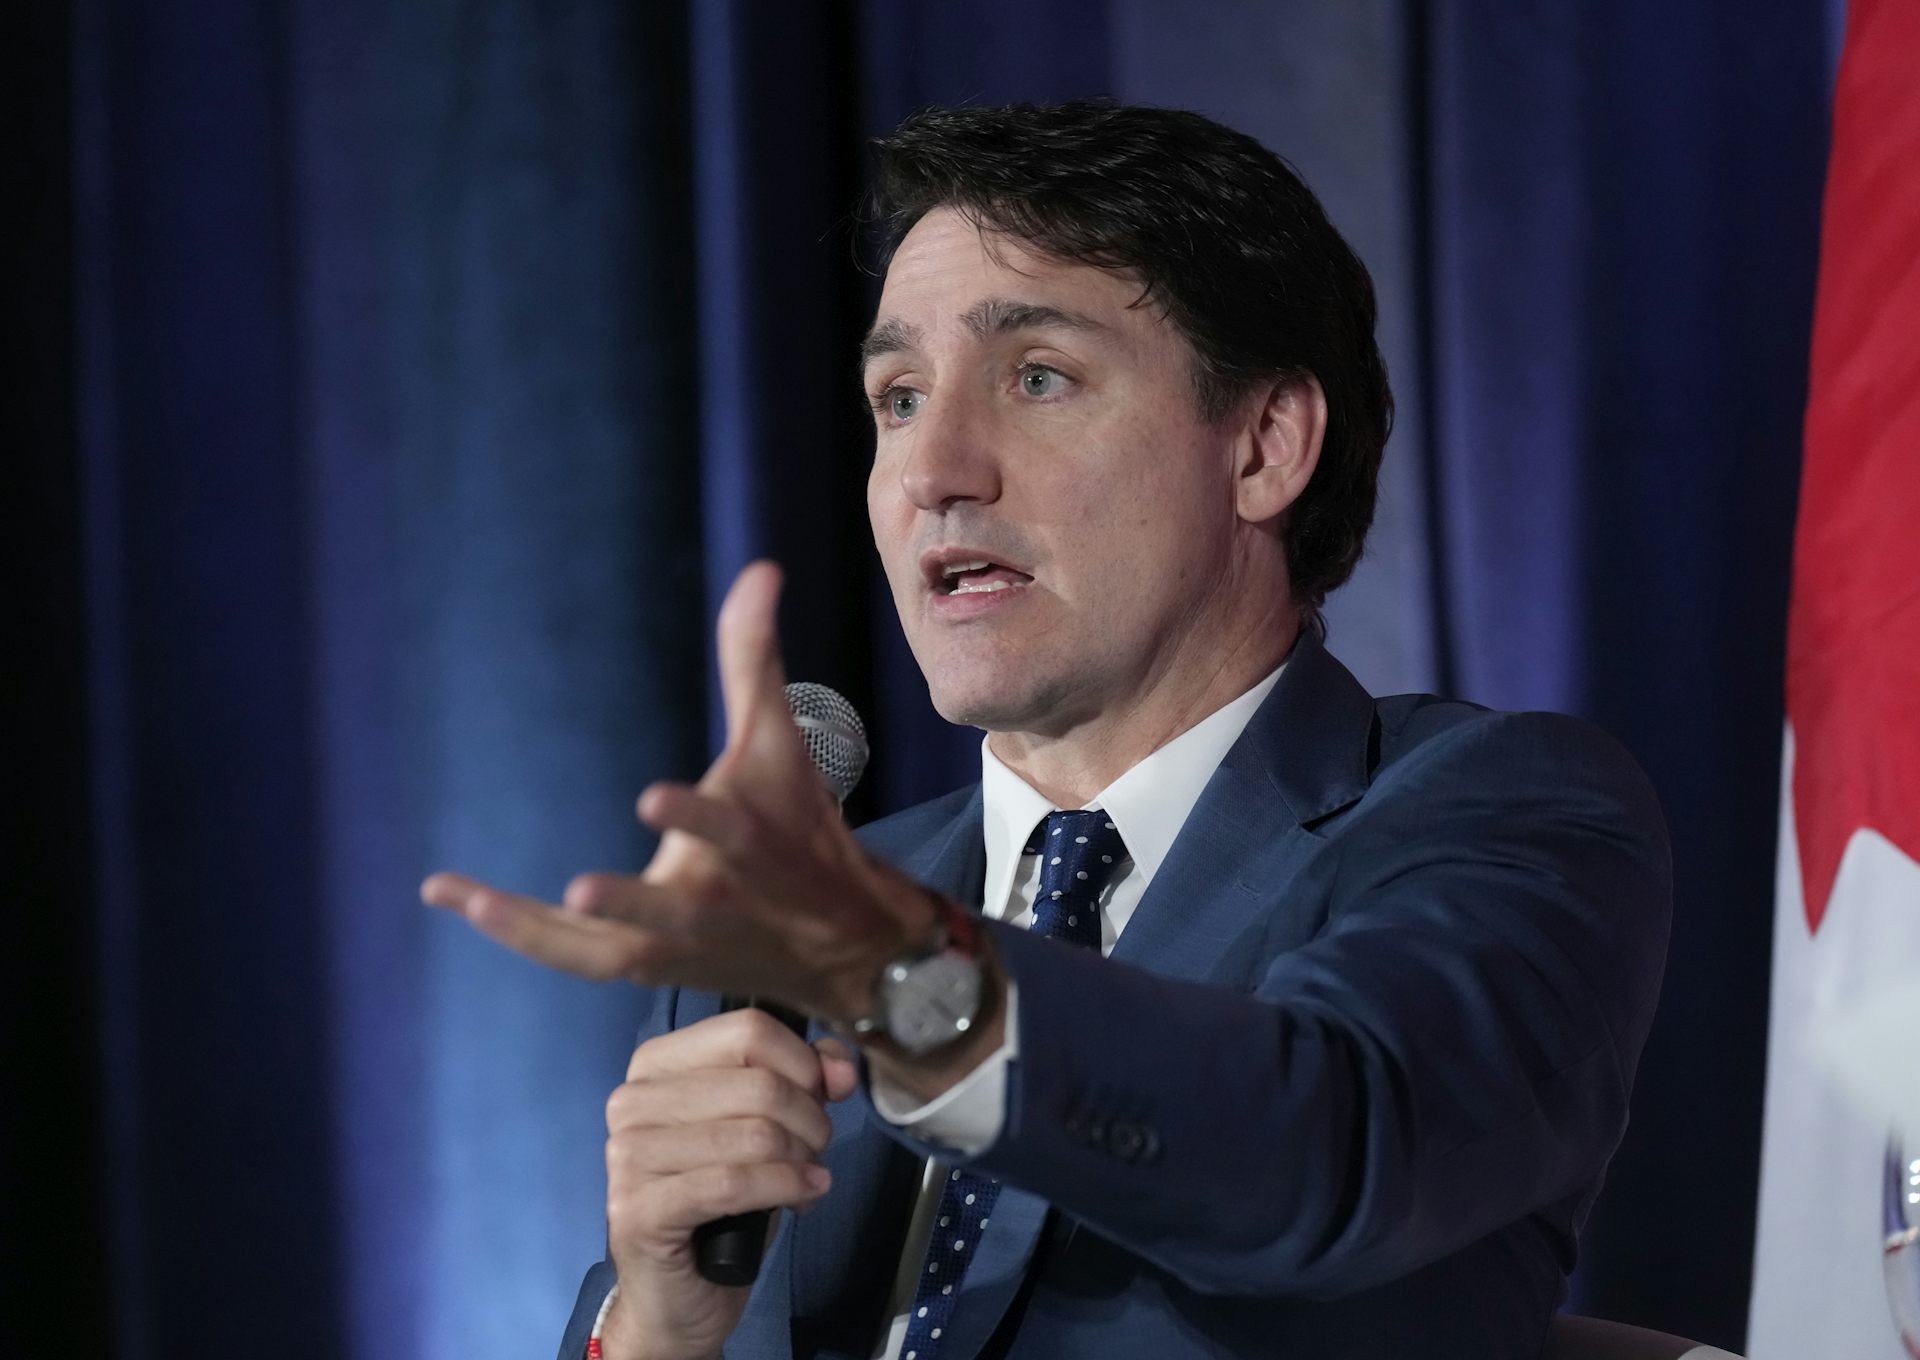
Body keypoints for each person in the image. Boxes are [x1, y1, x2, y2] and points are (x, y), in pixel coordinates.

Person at [422, 100, 1670, 1360]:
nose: (935, 469)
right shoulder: (791, 930)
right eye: (899, 396)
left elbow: (1328, 1149)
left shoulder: (1502, 811)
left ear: (1264, 444)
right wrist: (657, 1327)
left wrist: (901, 982)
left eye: (1036, 378)